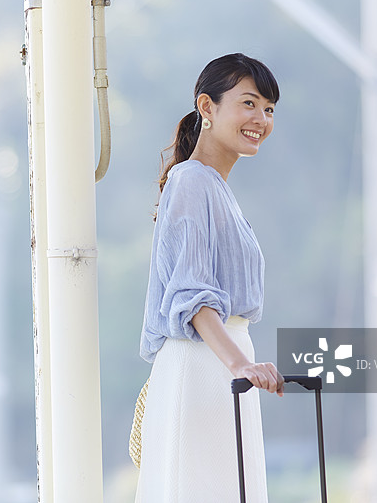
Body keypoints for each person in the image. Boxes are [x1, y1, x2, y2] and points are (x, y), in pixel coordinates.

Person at [135, 53, 285, 502]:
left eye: (269, 109)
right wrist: (238, 364)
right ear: (207, 107)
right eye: (249, 103)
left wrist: (240, 365)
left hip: (224, 364)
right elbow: (192, 294)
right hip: (206, 364)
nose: (261, 118)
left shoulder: (213, 186)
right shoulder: (192, 181)